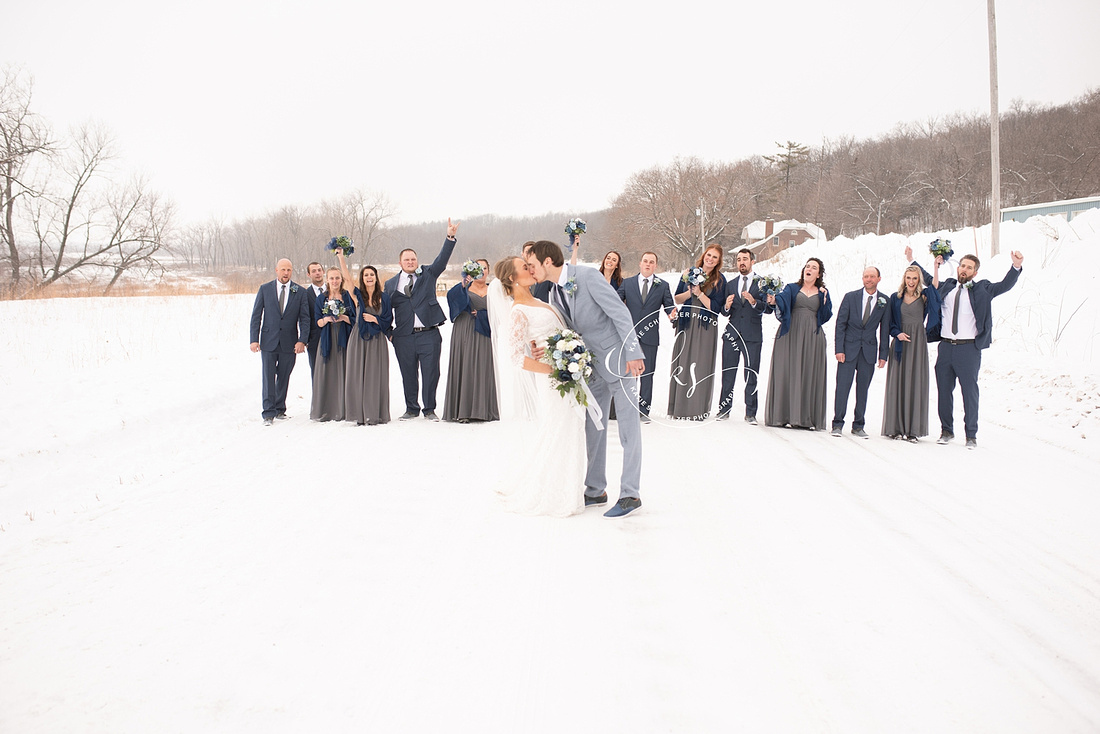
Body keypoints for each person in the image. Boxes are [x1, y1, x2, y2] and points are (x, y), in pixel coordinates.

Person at [526, 240, 646, 518]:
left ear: (547, 261)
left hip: (619, 361)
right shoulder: (555, 292)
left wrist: (633, 352)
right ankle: (595, 489)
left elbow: (620, 312)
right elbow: (568, 330)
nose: (531, 270)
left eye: (532, 264)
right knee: (594, 426)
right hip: (590, 367)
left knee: (628, 428)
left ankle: (630, 494)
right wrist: (545, 349)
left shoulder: (588, 276)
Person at [489, 256, 586, 516]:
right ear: (512, 278)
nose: (531, 270)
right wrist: (555, 369)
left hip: (566, 374)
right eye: (525, 267)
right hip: (552, 379)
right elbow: (515, 358)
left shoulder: (540, 302)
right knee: (557, 428)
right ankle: (551, 492)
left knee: (570, 427)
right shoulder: (518, 311)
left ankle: (570, 487)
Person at [906, 245, 1024, 448]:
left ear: (975, 272)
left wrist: (1016, 266)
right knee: (944, 391)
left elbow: (1004, 285)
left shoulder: (984, 289)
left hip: (969, 350)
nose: (964, 270)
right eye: (962, 266)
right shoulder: (946, 286)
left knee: (969, 392)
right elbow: (926, 277)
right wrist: (911, 259)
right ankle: (947, 431)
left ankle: (971, 434)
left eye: (969, 267)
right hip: (945, 347)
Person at [384, 218, 459, 421]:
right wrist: (389, 333)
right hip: (403, 337)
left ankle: (429, 409)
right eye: (406, 260)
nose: (410, 262)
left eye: (413, 259)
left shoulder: (428, 274)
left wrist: (450, 237)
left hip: (429, 334)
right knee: (408, 373)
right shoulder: (391, 284)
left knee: (430, 373)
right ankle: (411, 408)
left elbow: (442, 260)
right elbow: (384, 311)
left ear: (417, 261)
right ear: (400, 262)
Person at [764, 257, 833, 430]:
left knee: (808, 372)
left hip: (812, 336)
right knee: (787, 370)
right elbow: (782, 299)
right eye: (807, 266)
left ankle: (804, 418)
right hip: (791, 333)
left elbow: (825, 315)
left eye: (813, 267)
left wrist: (825, 301)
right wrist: (773, 301)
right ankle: (782, 415)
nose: (808, 269)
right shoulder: (792, 288)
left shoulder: (823, 292)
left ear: (818, 274)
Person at [882, 264, 942, 442]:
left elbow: (935, 288)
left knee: (915, 382)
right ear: (904, 279)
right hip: (900, 343)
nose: (911, 281)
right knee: (898, 382)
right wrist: (897, 334)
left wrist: (936, 267)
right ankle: (896, 428)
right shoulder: (896, 297)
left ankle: (913, 430)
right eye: (908, 278)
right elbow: (890, 323)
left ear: (919, 280)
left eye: (914, 278)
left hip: (917, 343)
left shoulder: (924, 297)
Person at [249, 259, 311, 425]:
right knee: (268, 377)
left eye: (289, 270)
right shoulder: (265, 289)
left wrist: (302, 341)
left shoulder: (300, 291)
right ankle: (268, 413)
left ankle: (279, 409)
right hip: (268, 341)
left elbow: (305, 319)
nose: (286, 273)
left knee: (284, 376)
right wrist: (254, 340)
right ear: (276, 270)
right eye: (283, 269)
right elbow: (256, 316)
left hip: (289, 343)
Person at [831, 266, 891, 438]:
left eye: (872, 276)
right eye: (866, 276)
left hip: (869, 352)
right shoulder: (851, 297)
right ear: (862, 278)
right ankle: (837, 423)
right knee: (842, 388)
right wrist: (839, 349)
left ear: (879, 278)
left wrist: (883, 355)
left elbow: (884, 329)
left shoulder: (884, 301)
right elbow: (840, 324)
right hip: (848, 350)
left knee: (863, 389)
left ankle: (858, 425)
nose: (869, 279)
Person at [668, 245, 727, 421]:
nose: (710, 259)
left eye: (715, 257)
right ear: (704, 255)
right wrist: (690, 291)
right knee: (683, 363)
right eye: (709, 255)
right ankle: (679, 407)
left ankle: (697, 408)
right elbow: (677, 299)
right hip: (686, 323)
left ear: (718, 261)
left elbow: (716, 308)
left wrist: (700, 293)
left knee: (701, 365)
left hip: (705, 327)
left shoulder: (720, 280)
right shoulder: (689, 273)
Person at [618, 251, 676, 423]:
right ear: (640, 263)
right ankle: (628, 409)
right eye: (645, 261)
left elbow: (669, 307)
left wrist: (673, 315)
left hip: (650, 337)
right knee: (628, 374)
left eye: (651, 262)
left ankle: (643, 411)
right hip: (629, 337)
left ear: (655, 265)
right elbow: (615, 303)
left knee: (647, 374)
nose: (648, 264)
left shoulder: (662, 285)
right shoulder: (627, 284)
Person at [338, 254, 392, 426]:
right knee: (358, 374)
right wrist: (341, 257)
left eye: (372, 274)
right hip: (359, 338)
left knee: (375, 375)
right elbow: (346, 278)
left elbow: (388, 320)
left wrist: (375, 320)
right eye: (366, 275)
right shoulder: (357, 295)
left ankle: (375, 413)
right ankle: (359, 414)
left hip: (377, 340)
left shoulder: (384, 297)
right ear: (362, 278)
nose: (369, 277)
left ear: (376, 277)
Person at [443, 258, 499, 423]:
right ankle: (464, 410)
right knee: (466, 365)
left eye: (485, 268)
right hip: (465, 330)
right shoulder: (463, 288)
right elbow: (452, 299)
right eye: (478, 268)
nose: (482, 271)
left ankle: (485, 410)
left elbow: (502, 312)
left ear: (489, 271)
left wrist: (483, 315)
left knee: (486, 367)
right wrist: (463, 283)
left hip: (487, 332)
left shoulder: (495, 290)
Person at [718, 248, 767, 424]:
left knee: (751, 374)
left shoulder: (762, 283)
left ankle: (751, 413)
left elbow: (768, 308)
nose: (741, 262)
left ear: (752, 261)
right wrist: (726, 306)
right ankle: (724, 410)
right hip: (732, 334)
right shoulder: (730, 284)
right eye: (739, 259)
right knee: (728, 373)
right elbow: (724, 312)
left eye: (745, 259)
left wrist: (754, 302)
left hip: (752, 335)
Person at [310, 267, 356, 422]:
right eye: (332, 278)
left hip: (345, 337)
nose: (335, 281)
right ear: (327, 279)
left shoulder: (348, 297)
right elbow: (318, 321)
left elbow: (355, 319)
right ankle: (327, 409)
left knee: (345, 370)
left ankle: (345, 409)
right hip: (327, 337)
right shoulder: (321, 298)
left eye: (337, 278)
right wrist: (327, 319)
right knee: (327, 373)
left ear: (341, 279)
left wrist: (343, 317)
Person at [303, 261, 326, 376]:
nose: (317, 273)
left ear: (323, 272)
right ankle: (317, 394)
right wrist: (306, 339)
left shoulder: (334, 290)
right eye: (313, 271)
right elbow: (304, 319)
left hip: (334, 337)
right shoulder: (305, 294)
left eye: (319, 270)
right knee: (316, 373)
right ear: (308, 275)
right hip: (314, 339)